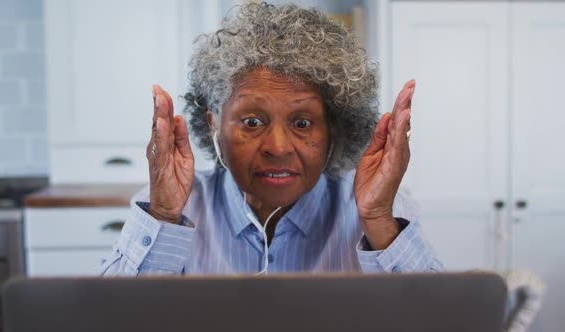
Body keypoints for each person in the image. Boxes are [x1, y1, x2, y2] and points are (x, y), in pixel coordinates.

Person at [101, 3, 443, 276]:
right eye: (252, 121)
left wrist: (379, 221)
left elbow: (442, 320)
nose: (278, 148)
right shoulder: (172, 204)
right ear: (213, 127)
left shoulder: (379, 208)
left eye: (302, 122)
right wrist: (162, 217)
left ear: (333, 130)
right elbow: (109, 319)